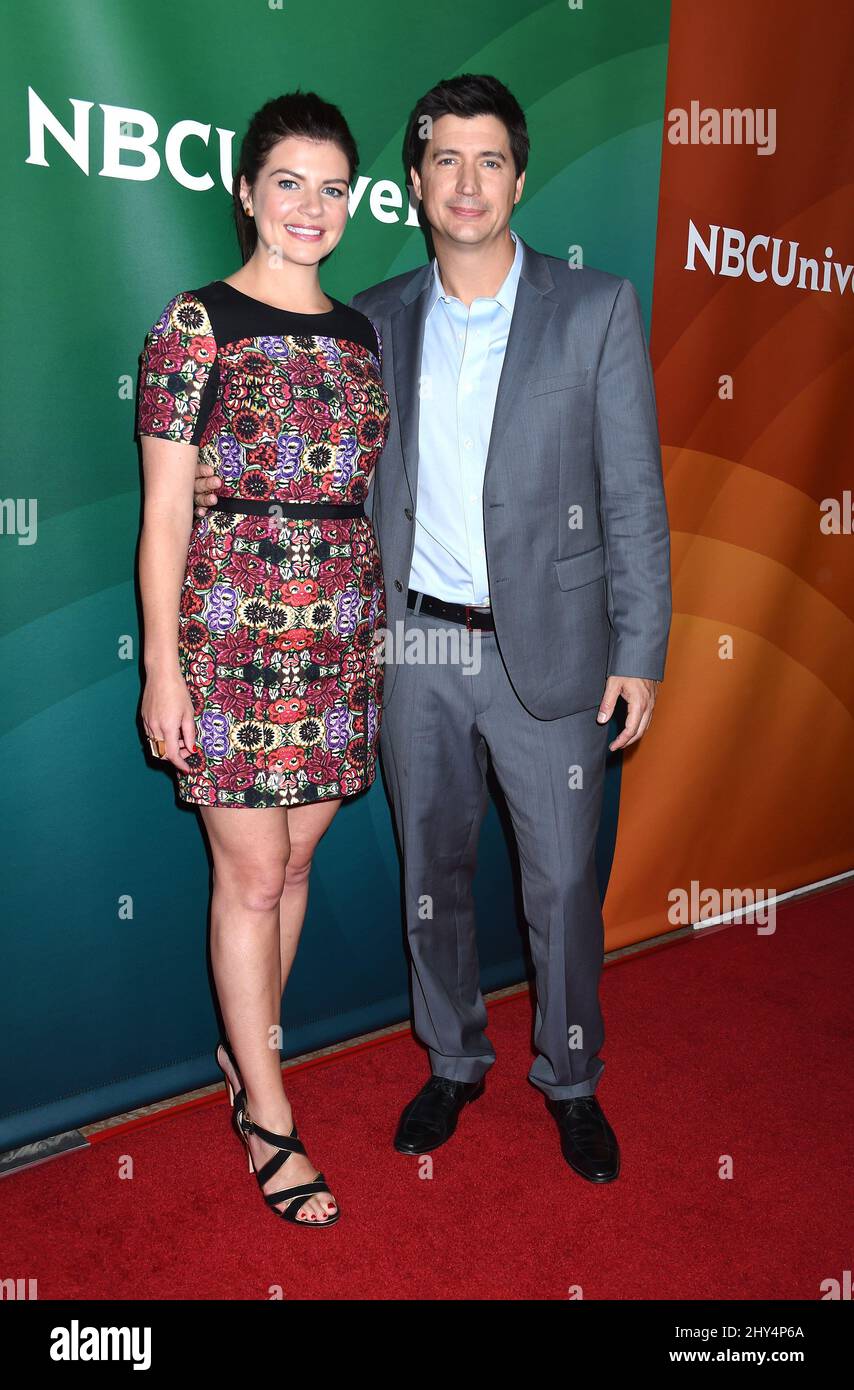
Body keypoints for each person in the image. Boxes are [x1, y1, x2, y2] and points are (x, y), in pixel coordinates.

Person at [193, 74, 672, 1185]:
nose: (466, 181)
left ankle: (569, 1076)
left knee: (557, 886)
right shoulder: (372, 315)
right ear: (412, 183)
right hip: (412, 647)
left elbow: (632, 495)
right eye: (444, 160)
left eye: (489, 159)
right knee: (432, 875)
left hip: (548, 650)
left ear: (517, 175)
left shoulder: (593, 307)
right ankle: (451, 1057)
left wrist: (637, 650)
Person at [135, 91, 389, 1226]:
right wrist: (162, 668)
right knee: (246, 875)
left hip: (340, 629)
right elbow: (164, 517)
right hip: (231, 630)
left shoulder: (359, 332)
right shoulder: (196, 325)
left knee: (290, 871)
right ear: (246, 191)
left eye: (332, 187)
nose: (312, 207)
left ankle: (250, 1056)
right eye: (289, 182)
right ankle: (269, 1119)